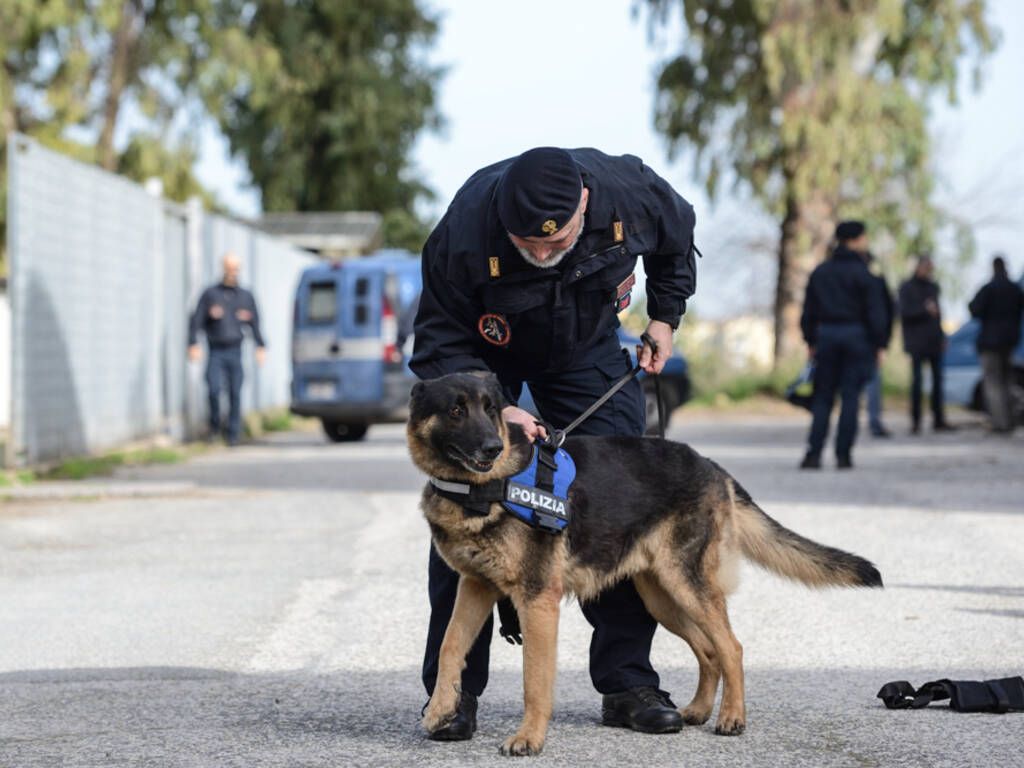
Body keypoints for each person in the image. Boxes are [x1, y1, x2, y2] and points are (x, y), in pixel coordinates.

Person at [411, 147, 697, 740]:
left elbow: (678, 233)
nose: (541, 255)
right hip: (486, 361)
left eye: (556, 241)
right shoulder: (464, 227)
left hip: (585, 349)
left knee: (617, 502)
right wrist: (497, 408)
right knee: (464, 506)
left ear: (585, 205)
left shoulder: (629, 190)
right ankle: (453, 694)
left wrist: (665, 316)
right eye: (527, 245)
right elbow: (439, 340)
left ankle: (627, 682)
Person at [799, 220, 886, 470]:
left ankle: (813, 454)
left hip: (826, 336)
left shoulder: (821, 272)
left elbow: (809, 311)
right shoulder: (866, 274)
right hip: (857, 338)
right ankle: (843, 455)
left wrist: (811, 340)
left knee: (823, 398)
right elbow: (876, 313)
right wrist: (879, 345)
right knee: (850, 397)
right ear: (857, 240)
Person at [188, 252, 266, 446]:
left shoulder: (245, 296)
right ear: (223, 268)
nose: (233, 272)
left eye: (236, 268)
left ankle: (233, 434)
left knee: (235, 392)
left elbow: (255, 323)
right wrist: (192, 343)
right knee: (213, 390)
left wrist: (261, 346)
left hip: (236, 351)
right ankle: (214, 428)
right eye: (229, 268)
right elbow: (196, 319)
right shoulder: (211, 294)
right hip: (216, 351)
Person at [898, 256, 954, 434]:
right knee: (917, 382)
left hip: (933, 341)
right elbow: (904, 313)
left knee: (938, 381)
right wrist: (924, 310)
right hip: (916, 341)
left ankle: (938, 419)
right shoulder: (907, 287)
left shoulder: (933, 287)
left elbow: (938, 315)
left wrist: (942, 335)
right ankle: (916, 421)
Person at [968, 255, 1024, 433]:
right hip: (1009, 343)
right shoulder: (1015, 289)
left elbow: (973, 309)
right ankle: (1010, 421)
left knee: (993, 384)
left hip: (990, 343)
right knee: (1007, 382)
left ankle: (999, 424)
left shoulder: (989, 288)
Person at [864, 254, 895, 437]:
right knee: (872, 382)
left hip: (859, 340)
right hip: (869, 341)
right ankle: (874, 422)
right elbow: (885, 315)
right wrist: (882, 343)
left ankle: (873, 421)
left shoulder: (829, 275)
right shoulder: (876, 283)